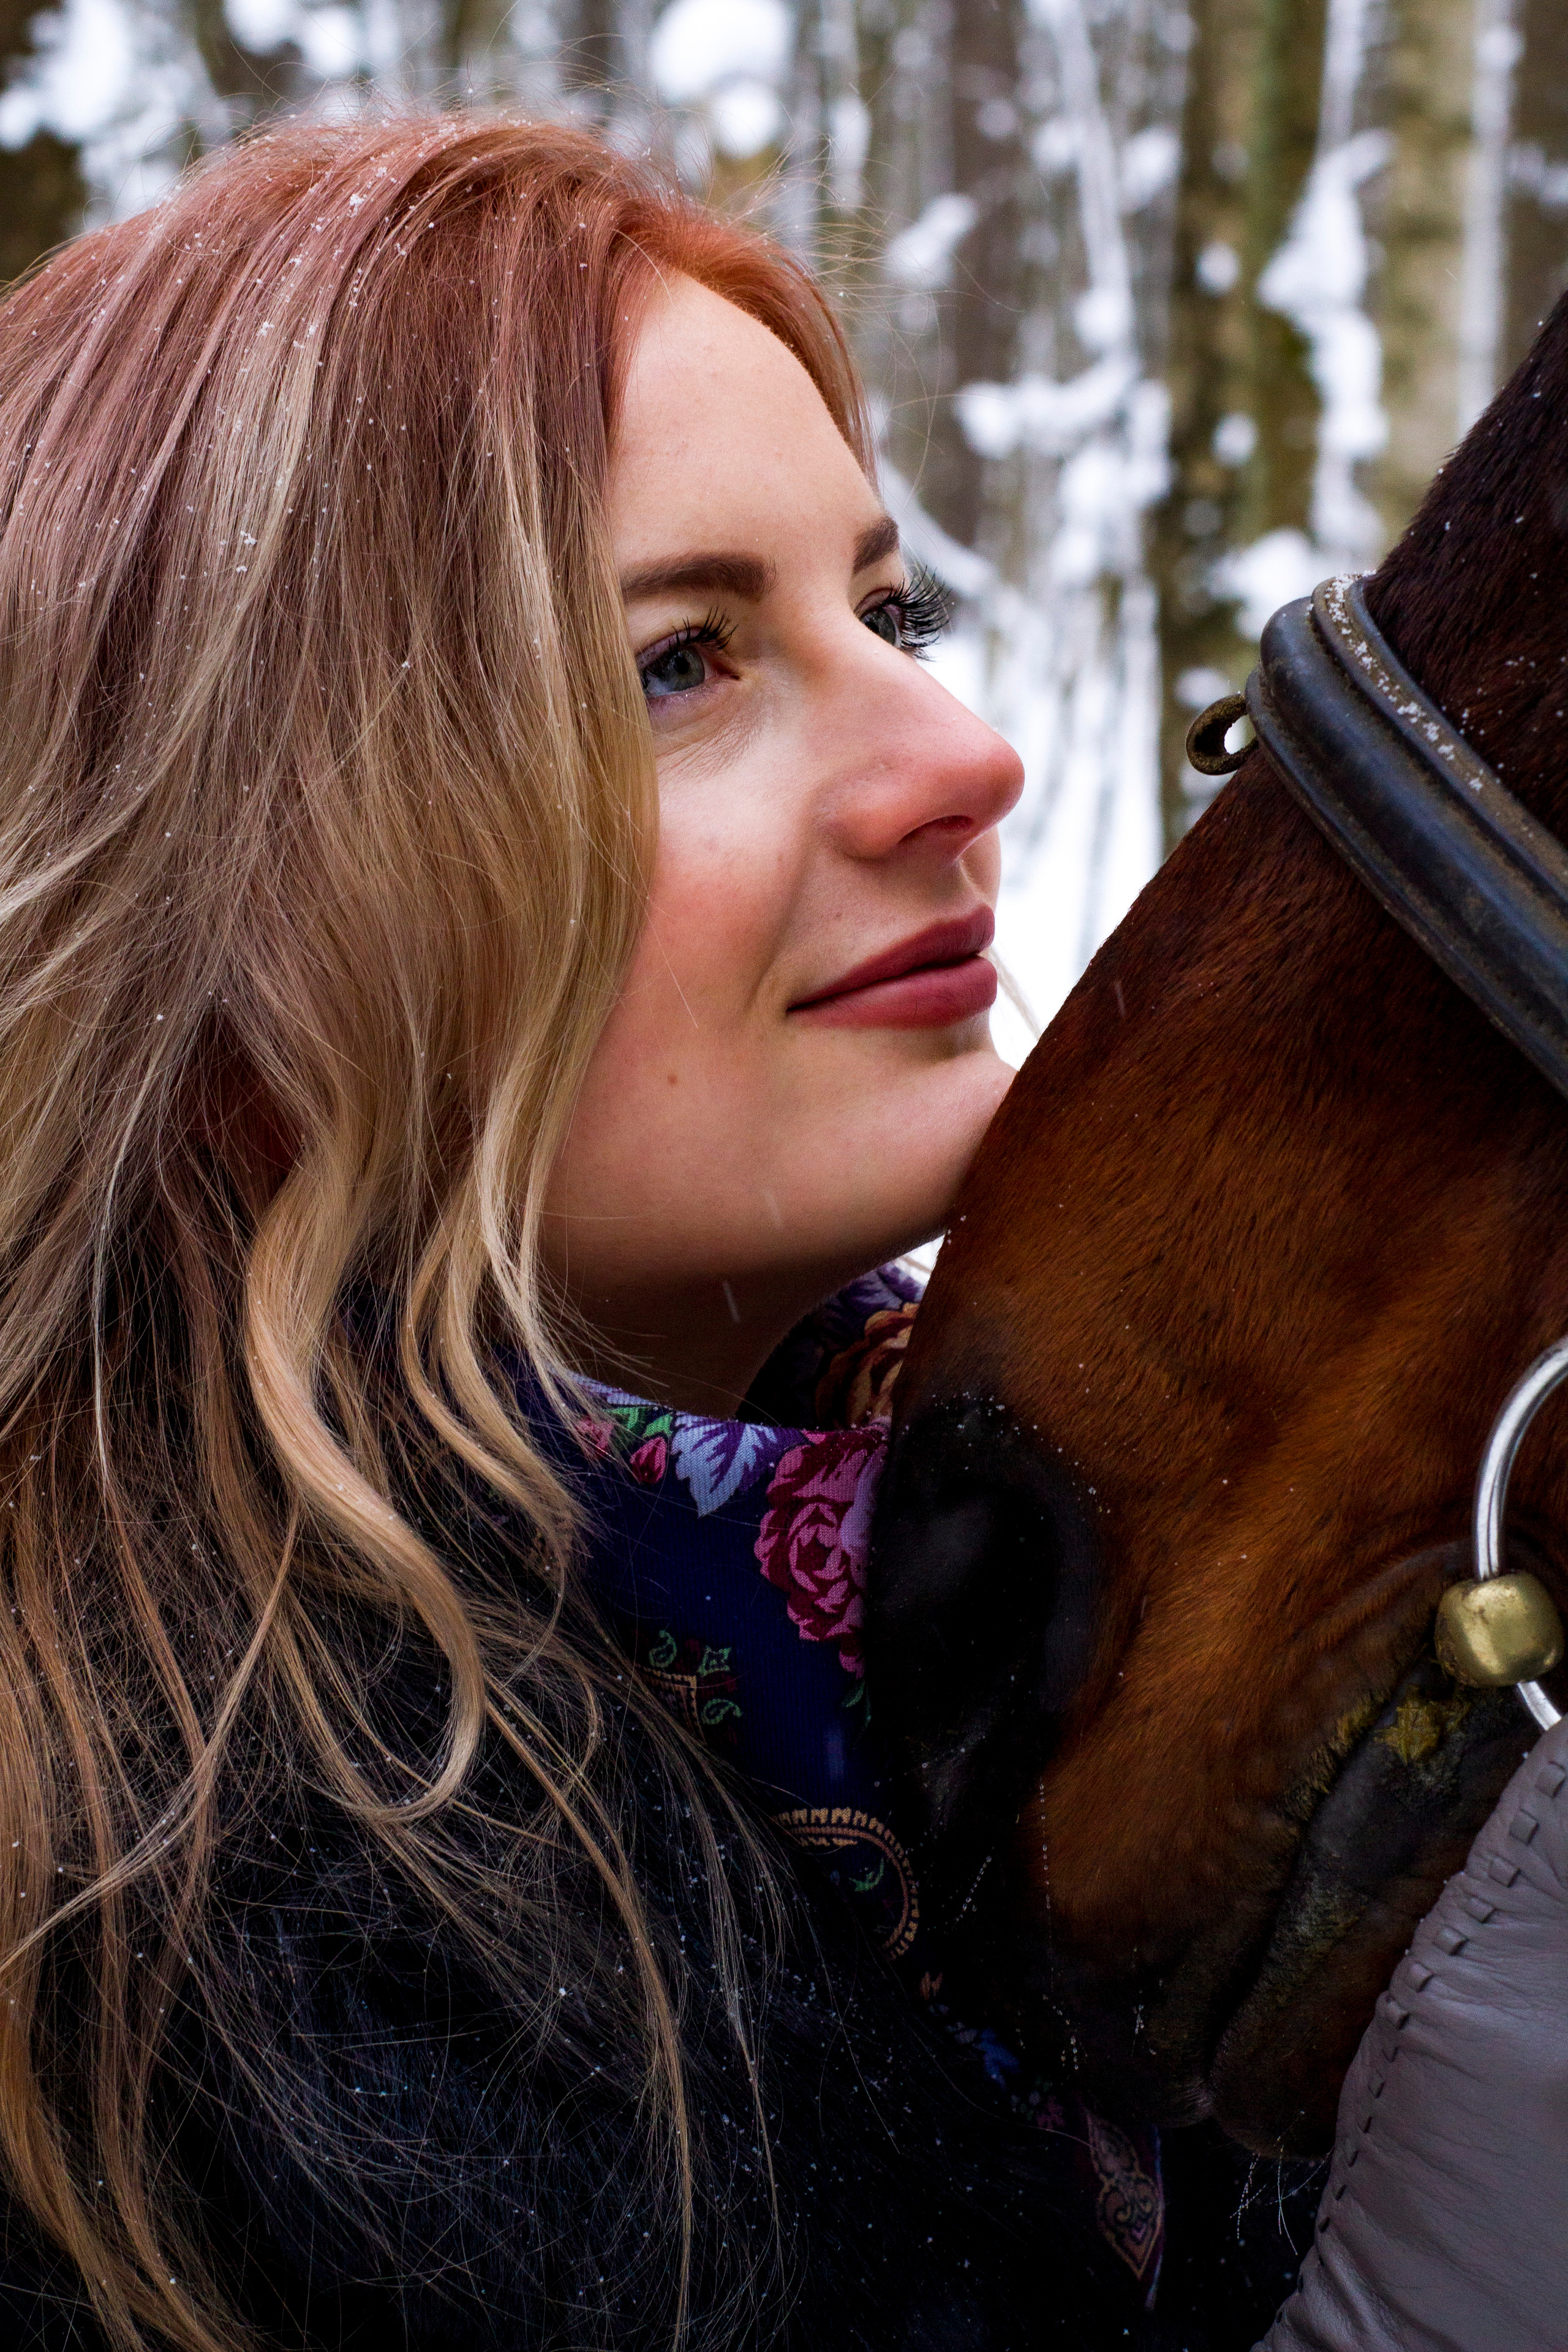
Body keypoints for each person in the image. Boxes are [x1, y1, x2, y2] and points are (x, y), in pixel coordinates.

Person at [0, 112, 1562, 2352]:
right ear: (231, 938)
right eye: (679, 665)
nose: (961, 750)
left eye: (891, 607)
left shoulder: (1049, 1608)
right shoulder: (177, 1982)